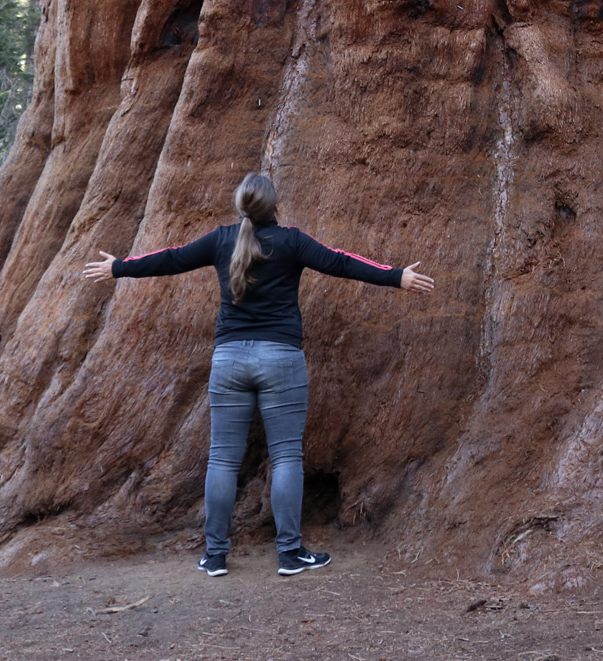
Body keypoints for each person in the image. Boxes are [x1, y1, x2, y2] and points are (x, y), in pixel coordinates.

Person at [82, 171, 435, 576]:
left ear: (241, 207)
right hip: (281, 358)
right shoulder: (292, 241)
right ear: (276, 207)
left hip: (229, 360)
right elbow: (340, 262)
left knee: (222, 458)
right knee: (285, 454)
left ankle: (215, 555)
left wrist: (120, 268)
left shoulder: (220, 239)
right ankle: (289, 554)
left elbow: (173, 258)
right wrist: (396, 276)